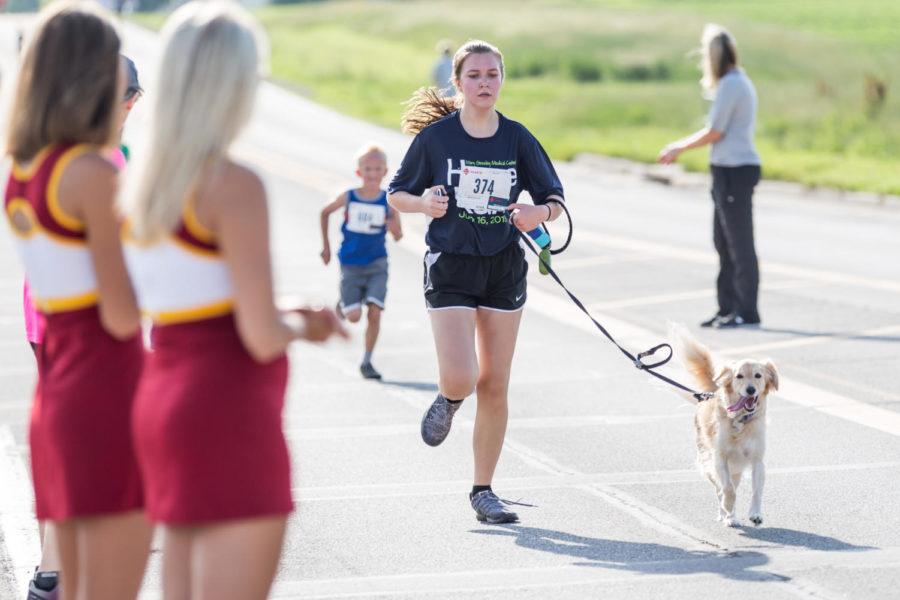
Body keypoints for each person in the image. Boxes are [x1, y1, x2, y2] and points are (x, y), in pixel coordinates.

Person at [122, 3, 346, 598]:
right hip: (226, 403)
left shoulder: (142, 180)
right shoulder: (232, 184)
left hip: (164, 396)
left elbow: (196, 293)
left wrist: (283, 306)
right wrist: (305, 325)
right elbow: (260, 335)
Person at [3, 3, 152, 599]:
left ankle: (47, 581)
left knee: (70, 501)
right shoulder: (94, 170)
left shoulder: (23, 163)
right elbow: (121, 307)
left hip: (59, 351)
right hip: (102, 364)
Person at [388, 40, 565, 524]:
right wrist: (424, 204)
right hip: (451, 265)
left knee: (495, 384)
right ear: (459, 82)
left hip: (502, 266)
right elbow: (397, 192)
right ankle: (448, 399)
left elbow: (555, 198)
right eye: (474, 76)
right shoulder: (438, 140)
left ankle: (483, 490)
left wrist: (537, 212)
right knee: (464, 376)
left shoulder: (517, 138)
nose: (485, 83)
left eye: (492, 75)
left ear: (501, 80)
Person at [657, 23, 762, 329]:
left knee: (739, 244)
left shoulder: (732, 84)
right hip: (726, 171)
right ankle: (727, 308)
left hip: (736, 170)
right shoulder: (734, 82)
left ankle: (746, 310)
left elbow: (716, 131)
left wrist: (678, 147)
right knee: (722, 241)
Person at [319, 143, 402, 380]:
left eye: (377, 169)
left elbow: (399, 236)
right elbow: (325, 212)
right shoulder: (349, 197)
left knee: (375, 312)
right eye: (368, 169)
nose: (373, 174)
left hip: (377, 263)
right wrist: (325, 247)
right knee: (354, 316)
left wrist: (393, 226)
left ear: (385, 172)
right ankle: (346, 304)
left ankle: (367, 361)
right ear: (359, 172)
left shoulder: (389, 201)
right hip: (351, 263)